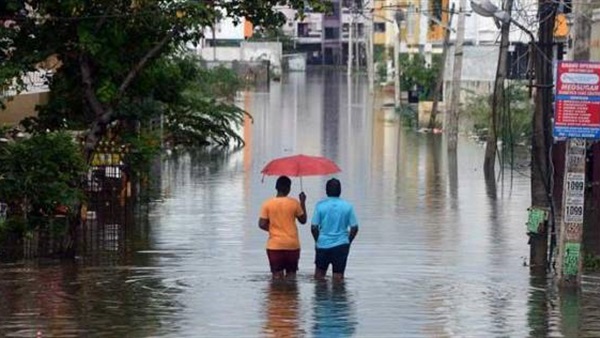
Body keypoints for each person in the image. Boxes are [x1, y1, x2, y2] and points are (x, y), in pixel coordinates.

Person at [259, 176, 307, 279]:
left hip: (274, 246)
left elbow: (262, 224)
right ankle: (291, 294)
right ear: (289, 188)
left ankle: (276, 294)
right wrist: (302, 202)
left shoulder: (267, 203)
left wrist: (272, 229)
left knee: (276, 277)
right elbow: (303, 220)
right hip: (292, 245)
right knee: (291, 276)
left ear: (276, 187)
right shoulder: (294, 203)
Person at [311, 178, 358, 281]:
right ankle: (338, 297)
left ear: (326, 191)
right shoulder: (348, 206)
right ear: (340, 191)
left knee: (319, 277)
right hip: (341, 245)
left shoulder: (320, 206)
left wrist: (318, 241)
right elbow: (354, 228)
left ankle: (321, 297)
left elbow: (314, 227)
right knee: (338, 278)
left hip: (323, 245)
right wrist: (347, 242)